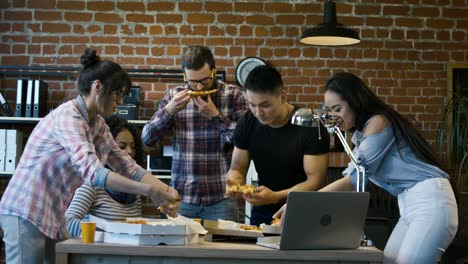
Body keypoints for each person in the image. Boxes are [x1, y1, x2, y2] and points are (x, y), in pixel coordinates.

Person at [0, 49, 180, 263]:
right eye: (118, 94)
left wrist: (165, 190)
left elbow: (127, 166)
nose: (120, 101)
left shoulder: (99, 125)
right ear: (98, 87)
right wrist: (147, 191)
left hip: (52, 213)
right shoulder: (68, 116)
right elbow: (93, 173)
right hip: (26, 208)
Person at [274, 72, 458, 263]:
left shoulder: (379, 122)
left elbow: (354, 180)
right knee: (389, 260)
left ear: (355, 102)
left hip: (430, 201)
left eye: (337, 109)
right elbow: (354, 177)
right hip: (408, 205)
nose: (332, 116)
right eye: (328, 110)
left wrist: (300, 204)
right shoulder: (360, 135)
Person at [142, 45, 246, 222]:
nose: (198, 87)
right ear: (184, 76)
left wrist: (215, 117)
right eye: (192, 81)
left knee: (224, 249)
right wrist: (169, 111)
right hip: (182, 198)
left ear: (213, 71)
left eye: (204, 81)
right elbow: (147, 139)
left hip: (221, 198)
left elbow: (245, 142)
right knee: (180, 250)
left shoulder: (234, 95)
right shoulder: (173, 95)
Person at [226, 64, 329, 226]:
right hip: (263, 207)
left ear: (283, 96)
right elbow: (237, 168)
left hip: (303, 208)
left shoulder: (309, 125)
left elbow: (316, 181)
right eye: (252, 105)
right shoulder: (247, 123)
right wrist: (235, 184)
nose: (258, 113)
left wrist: (275, 196)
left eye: (265, 105)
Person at [66, 114, 145, 237]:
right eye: (122, 147)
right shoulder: (92, 183)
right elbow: (68, 222)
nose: (130, 151)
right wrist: (107, 233)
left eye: (133, 147)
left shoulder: (134, 188)